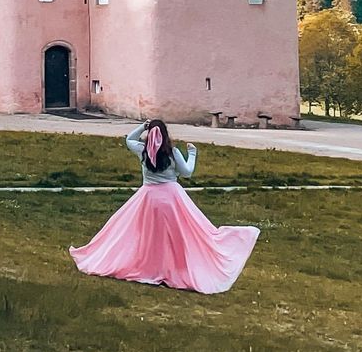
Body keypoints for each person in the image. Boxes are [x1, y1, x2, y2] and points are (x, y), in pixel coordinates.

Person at [69, 119, 259, 294]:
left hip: (148, 197)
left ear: (150, 133)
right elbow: (187, 173)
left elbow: (129, 139)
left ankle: (150, 265)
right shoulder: (173, 153)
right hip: (171, 198)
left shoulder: (143, 151)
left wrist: (143, 127)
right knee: (179, 235)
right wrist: (192, 154)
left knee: (147, 235)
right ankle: (175, 267)